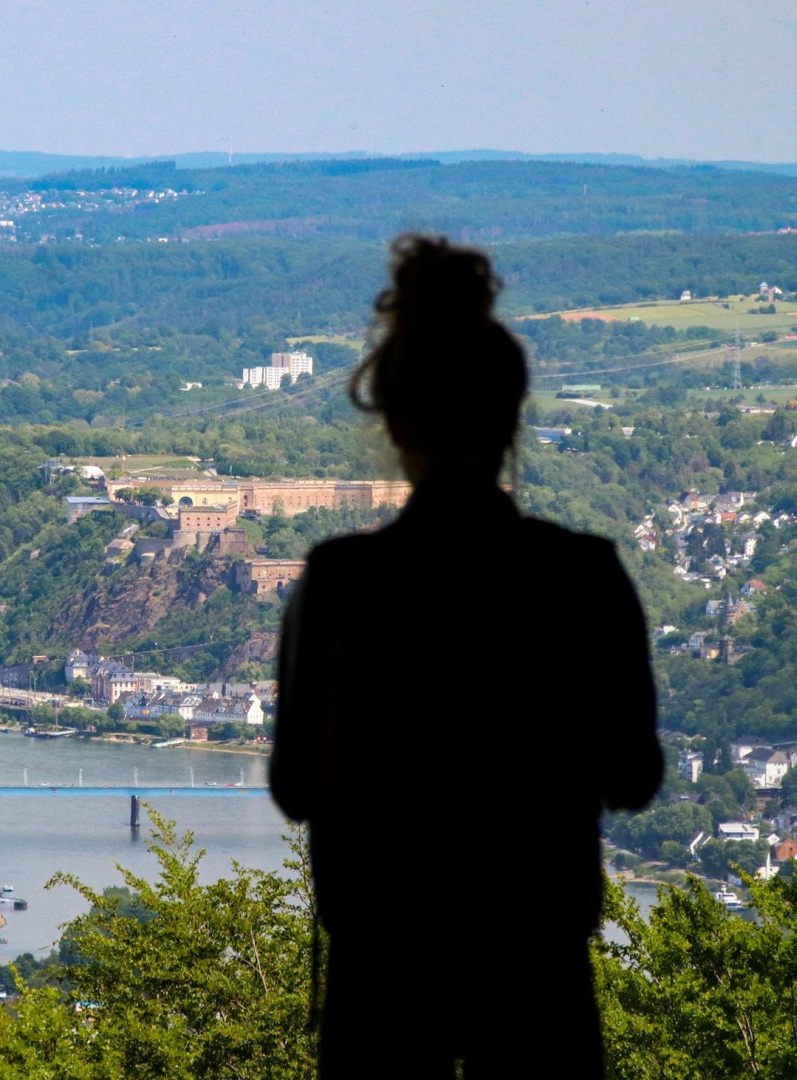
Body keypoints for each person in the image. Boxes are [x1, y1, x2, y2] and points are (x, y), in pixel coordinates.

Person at [270, 235, 663, 1076]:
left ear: (396, 421)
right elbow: (634, 780)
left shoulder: (340, 583)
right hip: (534, 969)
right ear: (510, 417)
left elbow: (294, 787)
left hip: (380, 971)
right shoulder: (583, 577)